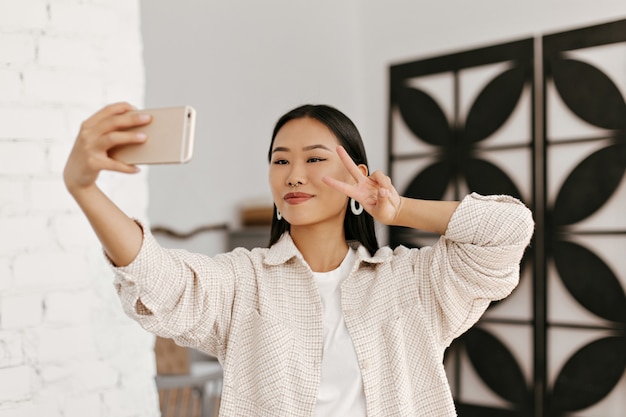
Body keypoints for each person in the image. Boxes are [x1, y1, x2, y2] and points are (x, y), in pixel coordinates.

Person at [63, 102, 534, 417]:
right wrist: (84, 189)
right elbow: (159, 280)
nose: (294, 175)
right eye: (280, 160)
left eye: (314, 159)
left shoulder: (411, 281)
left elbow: (509, 231)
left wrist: (398, 209)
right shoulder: (244, 282)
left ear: (357, 175)